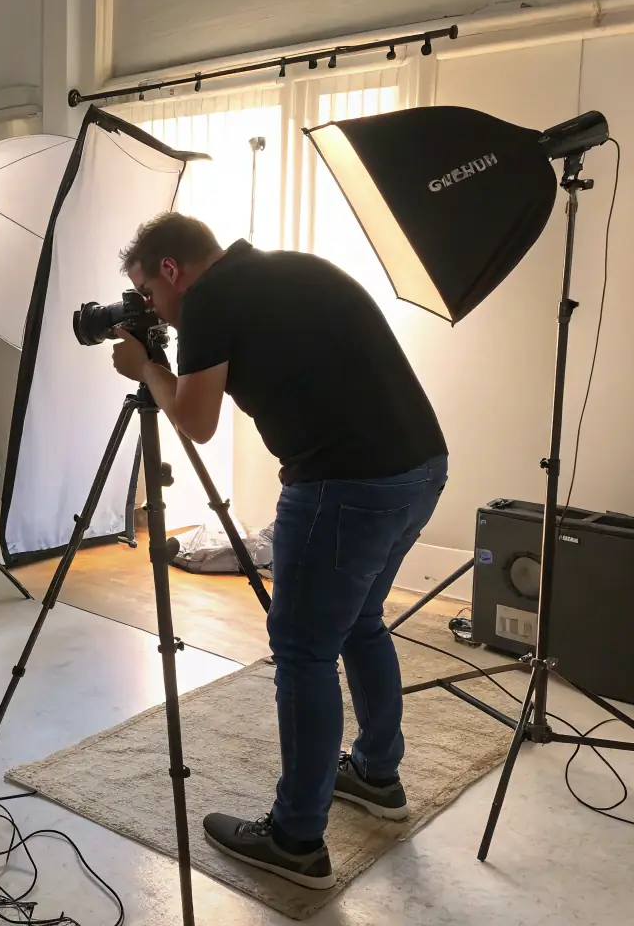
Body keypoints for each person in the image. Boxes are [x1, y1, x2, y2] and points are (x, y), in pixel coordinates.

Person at [110, 212, 447, 890]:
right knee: (359, 621)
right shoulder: (296, 266)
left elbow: (196, 423)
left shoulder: (210, 298)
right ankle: (376, 775)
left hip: (343, 484)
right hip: (420, 469)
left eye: (149, 294)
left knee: (302, 653)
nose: (157, 311)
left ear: (170, 270)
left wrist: (145, 368)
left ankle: (295, 839)